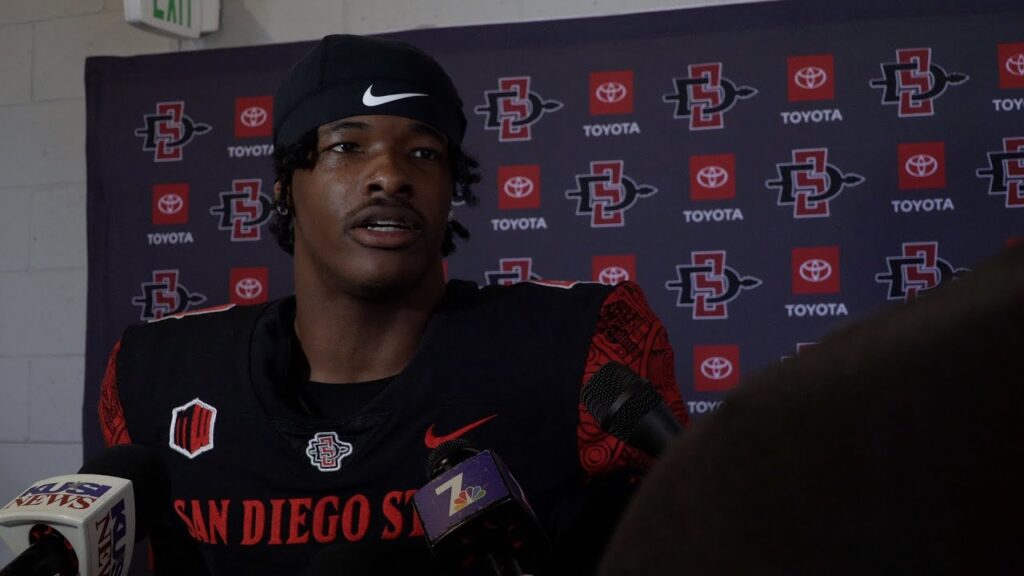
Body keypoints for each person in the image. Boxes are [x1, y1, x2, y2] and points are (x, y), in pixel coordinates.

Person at [99, 34, 687, 575]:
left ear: (453, 187)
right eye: (347, 146)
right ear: (284, 188)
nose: (389, 176)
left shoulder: (582, 346)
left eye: (425, 153)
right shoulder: (156, 373)